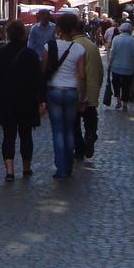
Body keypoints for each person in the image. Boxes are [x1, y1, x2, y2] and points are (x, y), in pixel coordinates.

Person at [0, 20, 44, 181]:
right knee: (26, 135)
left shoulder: (0, 54)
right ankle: (27, 168)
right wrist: (41, 99)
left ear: (8, 34)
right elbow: (37, 80)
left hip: (7, 101)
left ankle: (9, 171)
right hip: (26, 101)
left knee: (8, 136)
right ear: (23, 35)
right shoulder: (31, 55)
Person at [40, 13, 86, 178]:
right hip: (72, 91)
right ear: (73, 29)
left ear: (58, 28)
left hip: (53, 91)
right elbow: (81, 75)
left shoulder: (48, 46)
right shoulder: (79, 49)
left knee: (58, 131)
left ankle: (61, 168)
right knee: (70, 130)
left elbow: (43, 70)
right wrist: (84, 97)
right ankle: (69, 165)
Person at [70, 19, 104, 168]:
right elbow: (100, 70)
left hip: (75, 89)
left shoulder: (72, 46)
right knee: (90, 117)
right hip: (91, 89)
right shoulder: (92, 46)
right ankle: (90, 135)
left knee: (74, 122)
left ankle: (79, 148)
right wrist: (97, 86)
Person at [108, 22, 134, 111]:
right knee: (127, 86)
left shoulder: (116, 39)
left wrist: (110, 63)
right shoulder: (132, 40)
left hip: (116, 67)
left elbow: (112, 52)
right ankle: (125, 103)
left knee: (116, 84)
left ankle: (118, 101)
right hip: (128, 67)